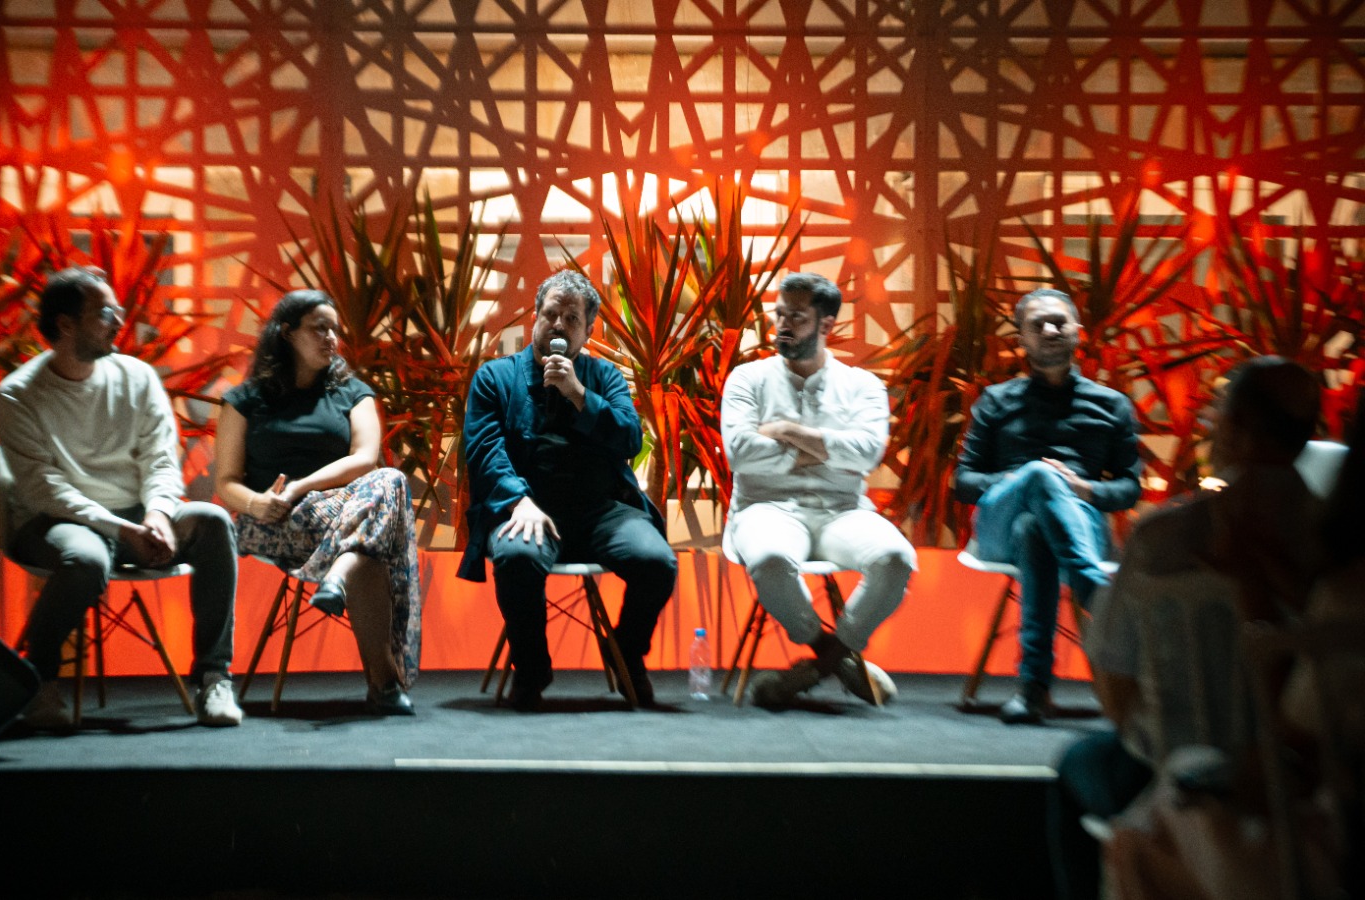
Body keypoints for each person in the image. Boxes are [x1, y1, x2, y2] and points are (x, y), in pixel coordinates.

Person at [1053, 356, 1325, 900]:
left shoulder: (1162, 536)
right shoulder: (1336, 541)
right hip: (1309, 775)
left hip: (1169, 770)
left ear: (1235, 429)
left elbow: (1115, 683)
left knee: (1075, 769)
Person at [0, 266, 242, 730]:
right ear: (66, 324)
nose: (119, 322)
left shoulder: (137, 377)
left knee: (212, 522)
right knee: (86, 559)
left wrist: (159, 514)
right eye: (105, 313)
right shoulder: (18, 395)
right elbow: (45, 489)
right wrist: (121, 529)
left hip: (137, 514)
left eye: (118, 311)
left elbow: (161, 460)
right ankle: (40, 682)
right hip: (58, 520)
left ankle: (214, 678)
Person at [459, 269, 677, 711]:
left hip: (602, 511)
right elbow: (483, 451)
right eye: (551, 314)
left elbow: (630, 440)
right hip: (529, 508)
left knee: (657, 562)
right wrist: (519, 501)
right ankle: (531, 668)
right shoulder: (494, 378)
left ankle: (627, 653)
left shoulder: (605, 377)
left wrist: (579, 394)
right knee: (516, 556)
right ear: (535, 318)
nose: (558, 325)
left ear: (588, 330)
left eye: (572, 319)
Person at [214, 290, 420, 715]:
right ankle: (384, 684)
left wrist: (300, 486)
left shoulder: (352, 393)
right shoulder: (245, 400)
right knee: (370, 545)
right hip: (273, 520)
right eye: (319, 328)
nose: (331, 338)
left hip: (339, 510)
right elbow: (226, 482)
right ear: (287, 334)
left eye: (334, 330)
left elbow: (365, 459)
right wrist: (258, 503)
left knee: (390, 480)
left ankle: (339, 575)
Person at [720, 272, 915, 707]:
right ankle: (831, 653)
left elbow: (867, 453)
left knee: (896, 558)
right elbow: (740, 453)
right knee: (770, 560)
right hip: (765, 507)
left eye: (797, 317)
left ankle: (823, 663)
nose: (783, 326)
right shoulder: (747, 379)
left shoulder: (862, 385)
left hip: (842, 510)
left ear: (826, 324)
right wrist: (826, 451)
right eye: (779, 315)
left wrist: (785, 431)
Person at [954, 287, 1142, 724]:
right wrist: (1023, 479)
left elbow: (1129, 488)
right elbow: (963, 482)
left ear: (1077, 330)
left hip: (1079, 523)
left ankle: (1033, 689)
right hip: (998, 526)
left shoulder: (1110, 405)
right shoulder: (996, 401)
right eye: (1038, 325)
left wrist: (1085, 490)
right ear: (1021, 337)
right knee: (1039, 477)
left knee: (1034, 529)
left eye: (1059, 322)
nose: (1051, 330)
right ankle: (1094, 589)